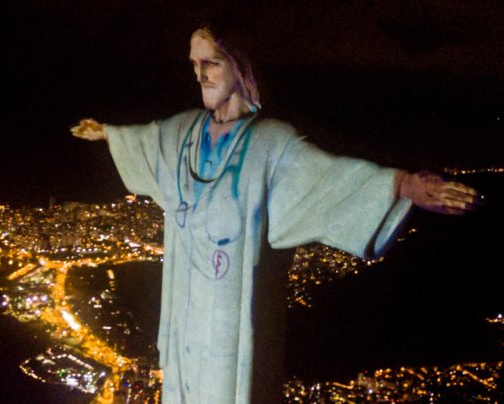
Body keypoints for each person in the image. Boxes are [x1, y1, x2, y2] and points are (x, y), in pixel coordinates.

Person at [70, 14, 480, 403]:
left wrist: (407, 185)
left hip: (231, 318)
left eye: (211, 63)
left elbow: (330, 178)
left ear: (239, 64)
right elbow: (145, 140)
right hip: (181, 315)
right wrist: (108, 134)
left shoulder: (270, 143)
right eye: (194, 64)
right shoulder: (183, 134)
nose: (200, 75)